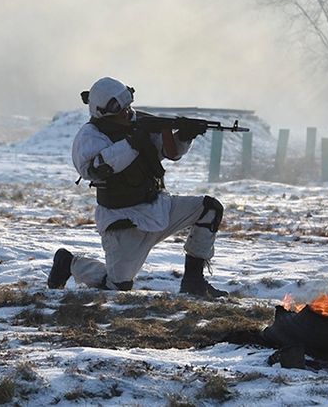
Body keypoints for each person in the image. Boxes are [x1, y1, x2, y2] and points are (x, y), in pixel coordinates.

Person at [47, 77, 229, 298]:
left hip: (159, 207)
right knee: (117, 288)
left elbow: (169, 153)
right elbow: (94, 169)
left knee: (209, 208)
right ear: (103, 111)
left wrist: (183, 136)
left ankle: (194, 282)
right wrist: (132, 142)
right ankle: (69, 264)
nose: (126, 113)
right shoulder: (90, 136)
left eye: (127, 106)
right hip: (124, 221)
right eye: (119, 110)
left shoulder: (139, 122)